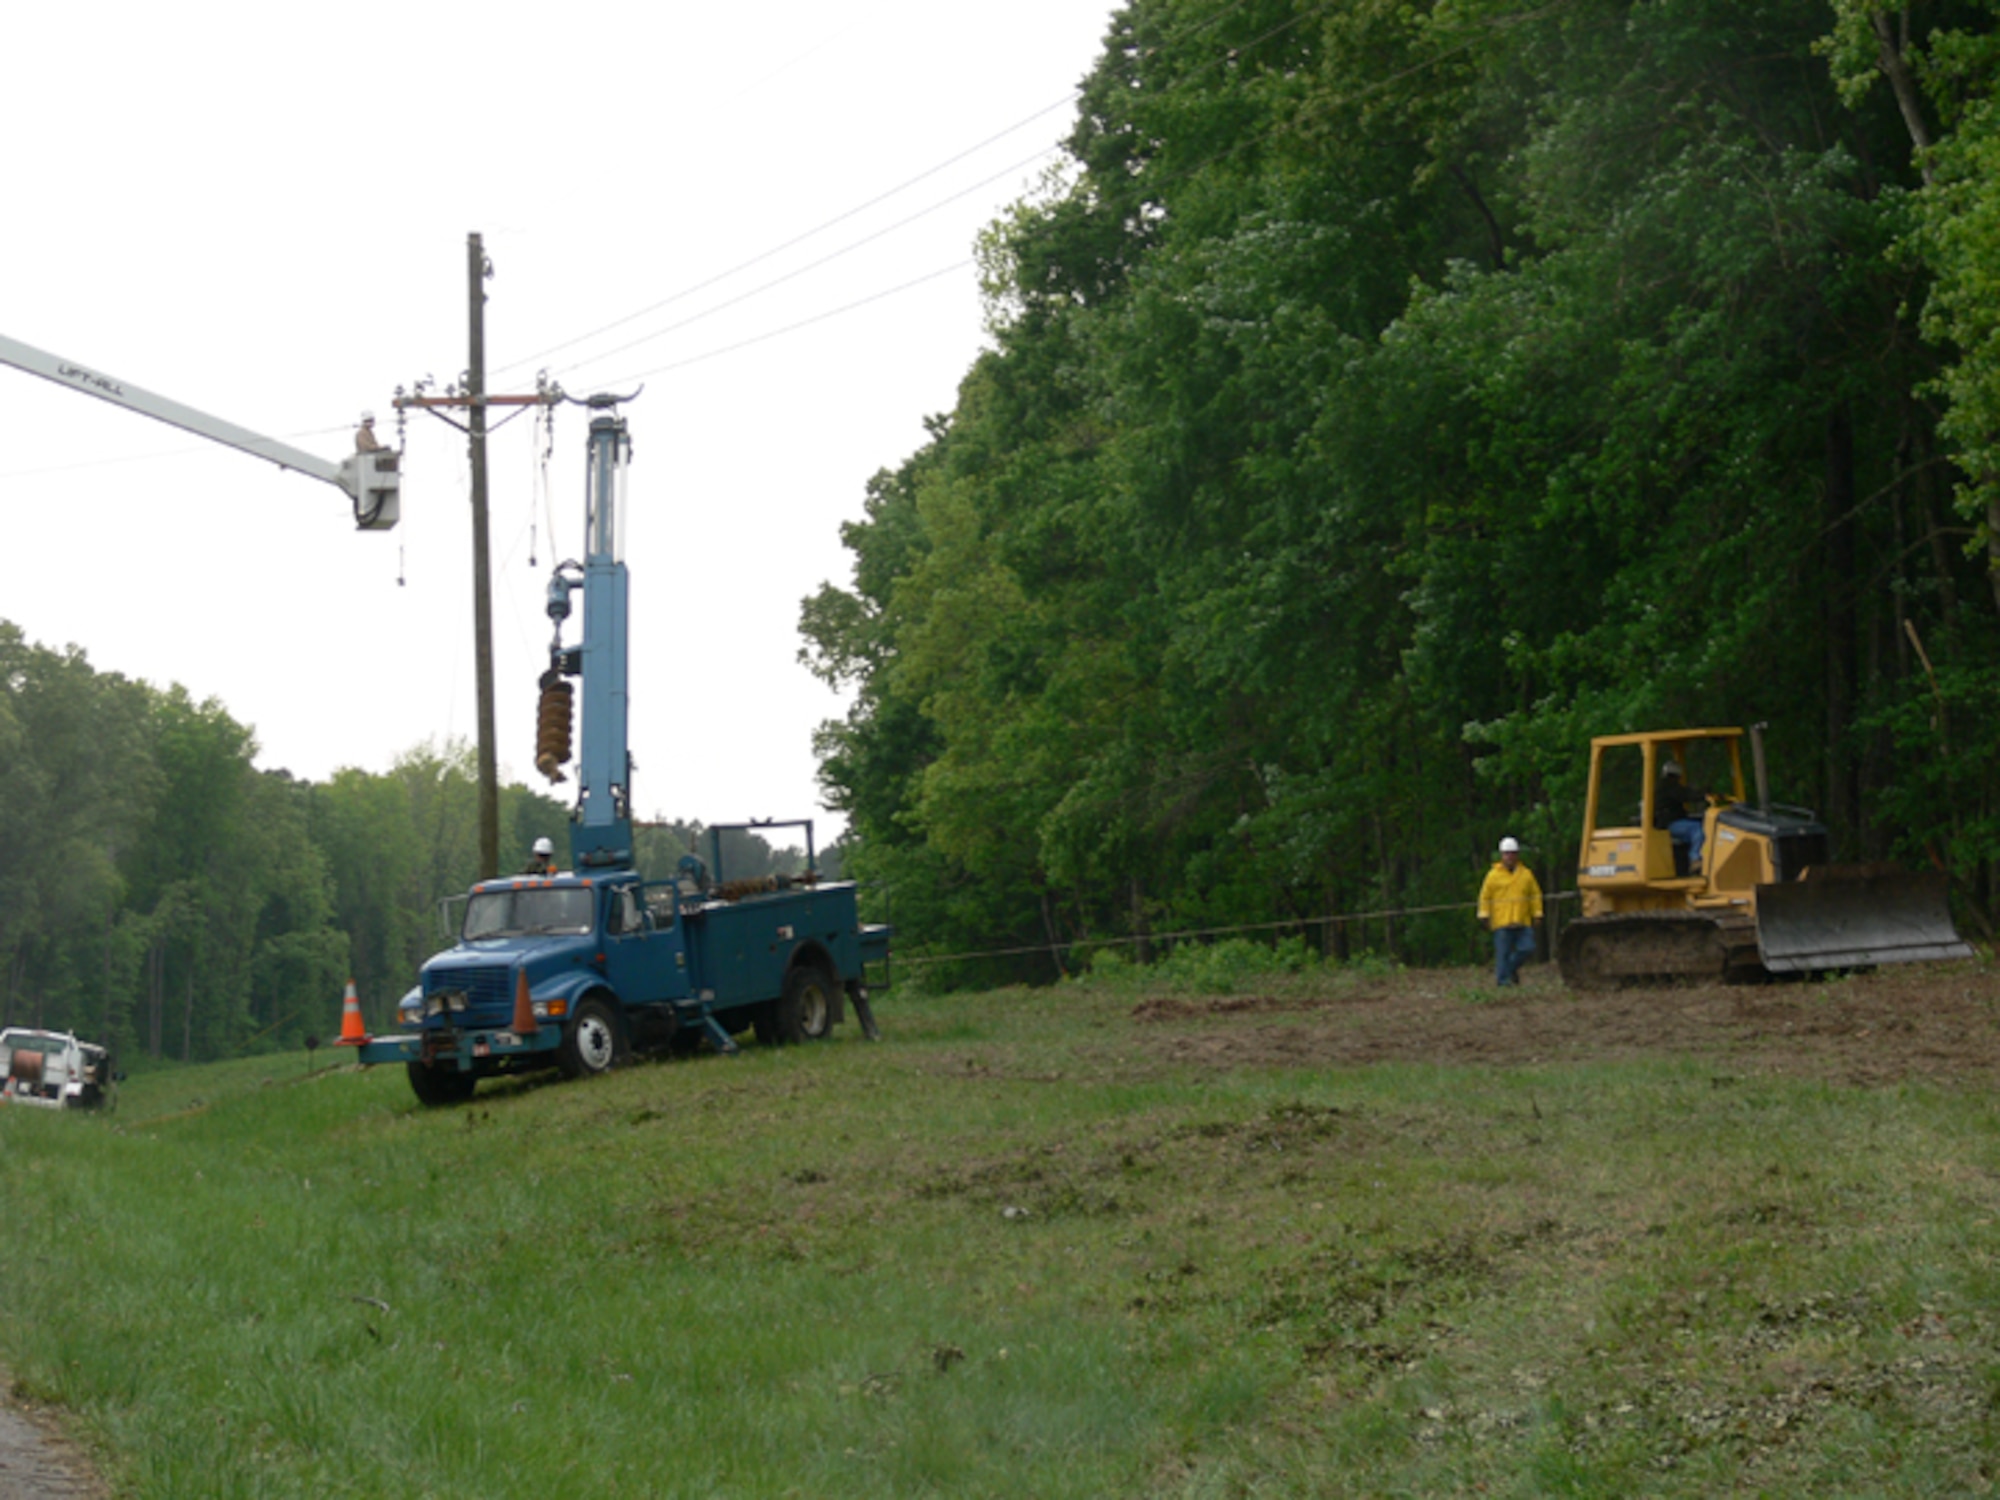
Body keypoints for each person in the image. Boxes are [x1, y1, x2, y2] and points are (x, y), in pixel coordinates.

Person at [1477, 836, 1544, 987]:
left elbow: (1535, 895)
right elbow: (1485, 896)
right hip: (1502, 921)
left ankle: (1509, 970)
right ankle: (1503, 983)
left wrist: (1537, 913)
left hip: (1522, 920)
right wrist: (1484, 915)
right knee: (1503, 954)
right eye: (1507, 853)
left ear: (1517, 854)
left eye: (1513, 853)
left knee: (1528, 948)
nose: (1510, 856)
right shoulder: (1493, 875)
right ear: (1502, 855)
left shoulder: (1526, 874)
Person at [1655, 757, 1707, 871]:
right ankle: (1695, 858)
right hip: (1670, 823)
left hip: (1670, 821)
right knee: (1697, 829)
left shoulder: (1666, 787)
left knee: (1701, 823)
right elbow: (1686, 795)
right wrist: (1703, 794)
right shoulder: (1669, 787)